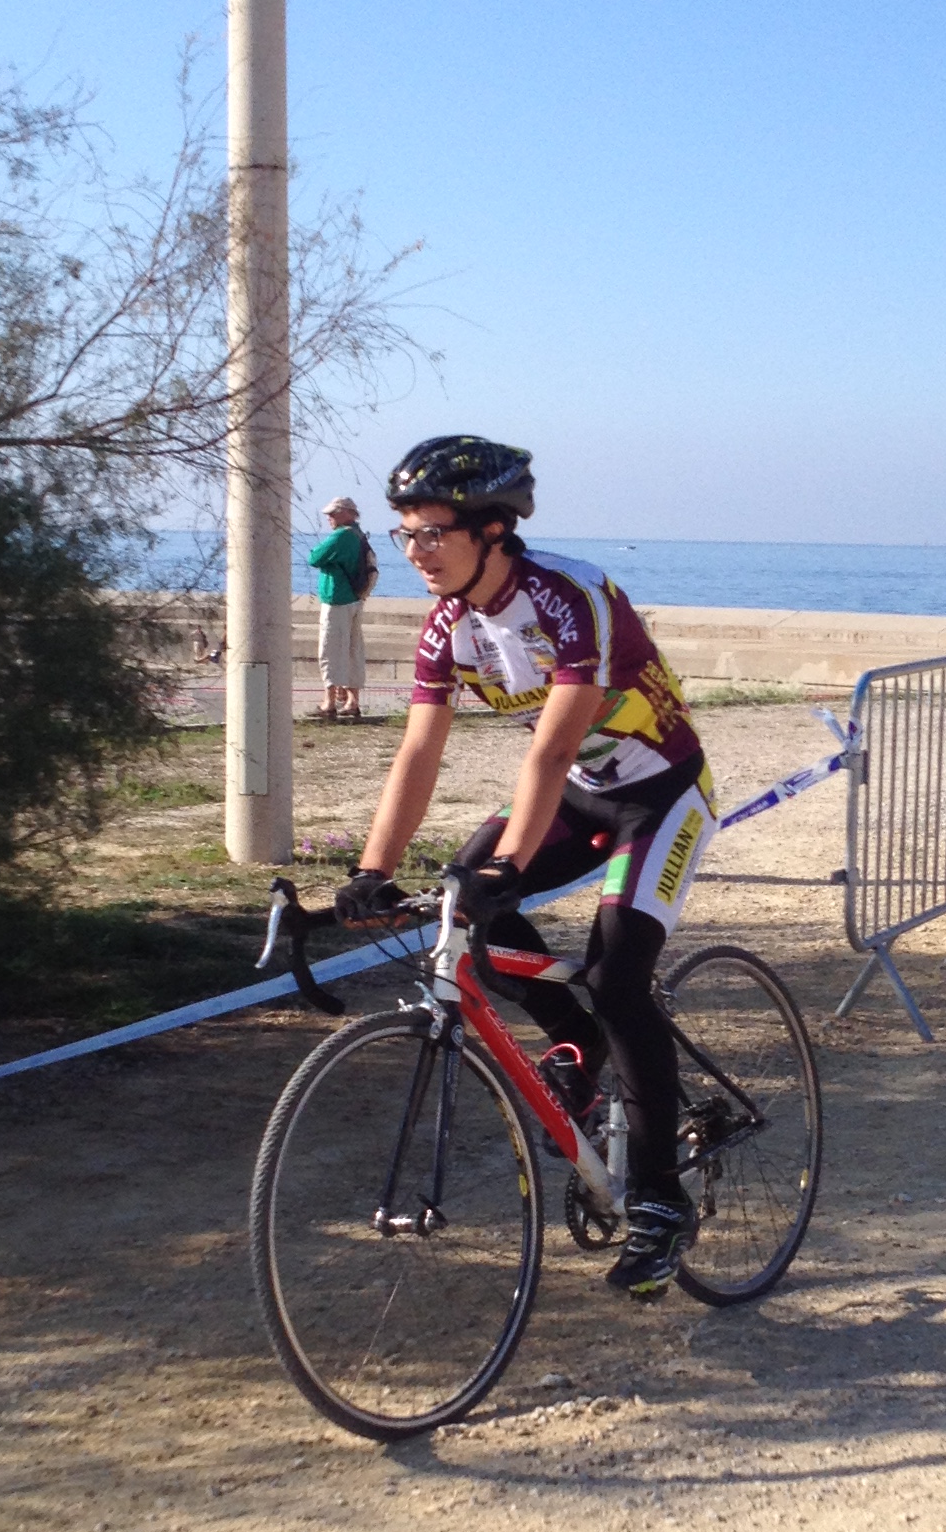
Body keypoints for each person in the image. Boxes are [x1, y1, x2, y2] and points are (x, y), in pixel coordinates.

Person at [332, 435, 716, 1301]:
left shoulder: (568, 597)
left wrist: (508, 863)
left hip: (659, 795)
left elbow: (551, 749)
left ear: (494, 530)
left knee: (618, 975)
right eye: (405, 534)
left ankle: (661, 1200)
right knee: (462, 908)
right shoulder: (447, 627)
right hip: (580, 794)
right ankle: (576, 1046)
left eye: (433, 532)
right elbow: (418, 752)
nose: (416, 551)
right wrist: (371, 868)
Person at [306, 495, 379, 723]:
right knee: (353, 650)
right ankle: (352, 701)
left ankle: (329, 702)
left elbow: (314, 557)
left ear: (346, 513)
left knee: (330, 650)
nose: (329, 517)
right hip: (356, 598)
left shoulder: (340, 536)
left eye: (333, 513)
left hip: (336, 598)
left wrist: (329, 560)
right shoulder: (359, 535)